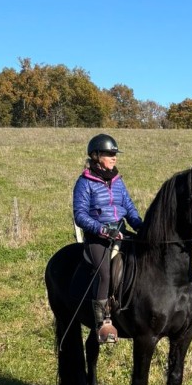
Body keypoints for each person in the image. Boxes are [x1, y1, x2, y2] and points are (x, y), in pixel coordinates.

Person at [73, 133, 143, 343]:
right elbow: (80, 215)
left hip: (121, 230)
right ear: (96, 156)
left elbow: (128, 207)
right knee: (104, 273)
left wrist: (141, 226)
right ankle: (102, 322)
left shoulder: (118, 180)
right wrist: (103, 230)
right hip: (98, 237)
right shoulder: (85, 182)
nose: (114, 158)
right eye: (110, 154)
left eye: (115, 154)